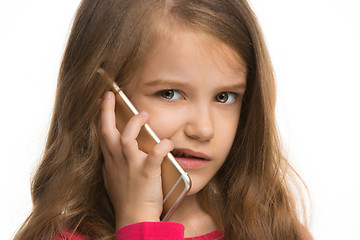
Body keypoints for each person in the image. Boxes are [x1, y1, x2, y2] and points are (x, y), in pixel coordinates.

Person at [14, 0, 312, 239]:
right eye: (170, 93)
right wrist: (138, 223)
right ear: (106, 97)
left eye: (224, 97)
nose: (203, 129)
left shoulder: (278, 232)